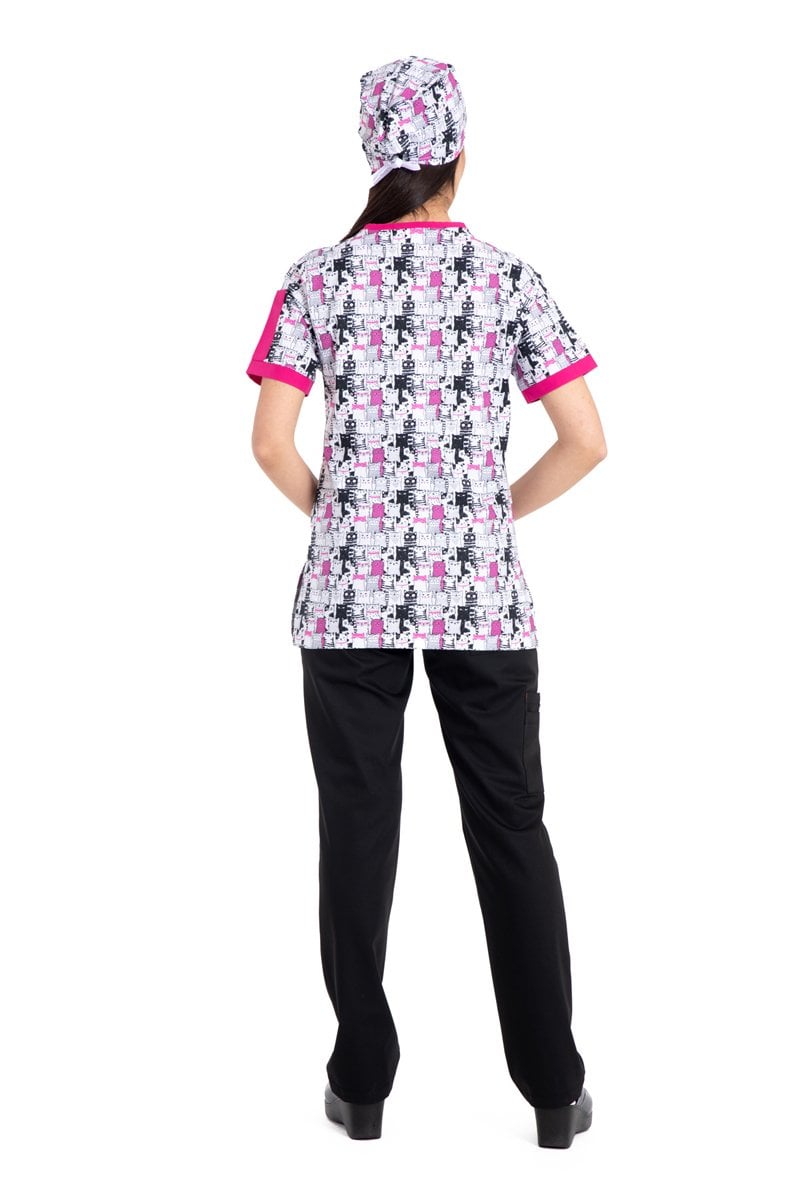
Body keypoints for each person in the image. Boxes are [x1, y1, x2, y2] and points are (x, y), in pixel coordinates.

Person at [244, 55, 606, 1148]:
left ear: (371, 153)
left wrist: (343, 520)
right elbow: (585, 441)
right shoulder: (507, 278)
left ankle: (360, 1082)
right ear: (457, 154)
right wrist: (488, 514)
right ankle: (553, 1090)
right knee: (511, 825)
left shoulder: (316, 278)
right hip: (481, 599)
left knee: (356, 826)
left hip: (346, 600)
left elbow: (270, 444)